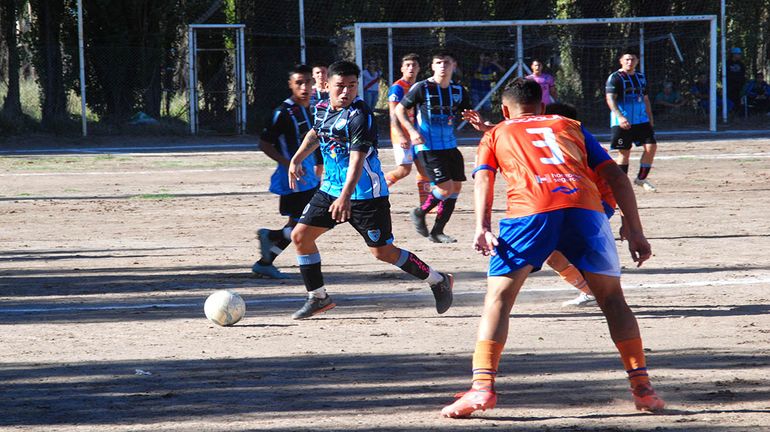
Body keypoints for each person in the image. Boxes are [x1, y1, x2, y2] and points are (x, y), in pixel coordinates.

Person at [441, 78, 665, 418]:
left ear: (504, 110)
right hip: (585, 209)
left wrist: (482, 227)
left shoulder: (495, 133)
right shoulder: (568, 124)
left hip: (530, 211)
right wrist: (635, 231)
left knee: (499, 298)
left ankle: (482, 388)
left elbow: (484, 177)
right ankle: (643, 388)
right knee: (613, 301)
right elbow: (618, 177)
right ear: (543, 107)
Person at [286, 60, 454, 320]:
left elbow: (357, 160)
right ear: (327, 85)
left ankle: (438, 279)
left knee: (383, 252)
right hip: (331, 189)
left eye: (352, 86)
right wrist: (297, 158)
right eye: (340, 86)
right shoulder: (320, 107)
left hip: (366, 195)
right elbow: (316, 133)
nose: (346, 92)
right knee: (301, 237)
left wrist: (345, 197)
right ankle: (318, 297)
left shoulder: (359, 115)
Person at [461, 101, 617, 308]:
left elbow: (614, 180)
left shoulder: (574, 142)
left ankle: (594, 290)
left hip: (593, 202)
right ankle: (590, 290)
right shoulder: (564, 135)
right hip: (573, 201)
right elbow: (528, 136)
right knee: (553, 253)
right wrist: (487, 127)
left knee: (555, 252)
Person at [395, 50, 472, 244]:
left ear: (453, 65)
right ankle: (419, 212)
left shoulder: (458, 90)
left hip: (450, 145)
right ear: (432, 66)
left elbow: (467, 113)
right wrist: (412, 132)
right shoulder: (423, 87)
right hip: (428, 146)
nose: (443, 66)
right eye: (438, 63)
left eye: (446, 62)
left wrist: (482, 125)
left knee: (455, 188)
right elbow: (399, 109)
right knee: (445, 188)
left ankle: (438, 231)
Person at [252, 65, 321, 279]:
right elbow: (264, 144)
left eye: (307, 82)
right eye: (299, 82)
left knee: (299, 224)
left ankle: (266, 261)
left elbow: (314, 141)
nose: (304, 87)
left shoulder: (314, 109)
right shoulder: (282, 113)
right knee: (309, 223)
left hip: (309, 177)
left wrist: (318, 163)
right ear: (290, 85)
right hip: (293, 180)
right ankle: (270, 237)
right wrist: (288, 163)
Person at [605, 48, 658, 192]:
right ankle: (621, 185)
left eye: (632, 59)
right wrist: (620, 117)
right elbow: (610, 99)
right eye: (627, 59)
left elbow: (646, 99)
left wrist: (650, 117)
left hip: (641, 120)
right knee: (624, 152)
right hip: (622, 122)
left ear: (637, 61)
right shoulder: (615, 77)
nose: (630, 62)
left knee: (651, 146)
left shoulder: (641, 77)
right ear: (621, 61)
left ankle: (641, 179)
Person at [384, 53, 432, 205]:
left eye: (414, 65)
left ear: (419, 69)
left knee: (424, 169)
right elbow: (393, 114)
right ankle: (377, 187)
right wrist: (401, 135)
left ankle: (426, 205)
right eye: (408, 65)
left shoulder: (418, 87)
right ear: (402, 69)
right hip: (402, 135)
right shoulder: (397, 88)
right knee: (404, 170)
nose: (411, 68)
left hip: (416, 135)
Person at [726, 47, 746, 112]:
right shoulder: (727, 63)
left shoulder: (741, 64)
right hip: (730, 86)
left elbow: (743, 74)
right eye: (739, 54)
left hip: (739, 86)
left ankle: (738, 112)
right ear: (734, 54)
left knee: (739, 100)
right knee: (731, 99)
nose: (740, 55)